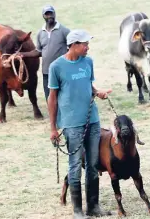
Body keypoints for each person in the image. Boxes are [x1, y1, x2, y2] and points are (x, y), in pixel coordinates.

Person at [48, 29, 112, 218]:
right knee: (75, 165)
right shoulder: (56, 67)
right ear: (74, 45)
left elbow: (88, 85)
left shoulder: (88, 62)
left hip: (92, 121)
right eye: (84, 44)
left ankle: (93, 206)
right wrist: (53, 127)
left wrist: (97, 92)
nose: (87, 47)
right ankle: (78, 210)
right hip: (72, 124)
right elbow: (52, 98)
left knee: (93, 164)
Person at [19, 5, 71, 101]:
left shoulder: (65, 31)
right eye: (47, 14)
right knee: (50, 98)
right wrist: (22, 54)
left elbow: (72, 50)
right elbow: (38, 52)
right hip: (47, 72)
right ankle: (54, 116)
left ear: (54, 14)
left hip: (63, 71)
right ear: (43, 16)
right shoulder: (40, 33)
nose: (49, 16)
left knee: (65, 97)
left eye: (51, 13)